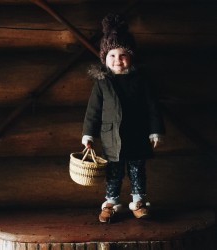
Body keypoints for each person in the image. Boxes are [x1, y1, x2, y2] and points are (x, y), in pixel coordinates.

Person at [82, 13, 165, 223]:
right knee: (114, 171)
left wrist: (155, 130)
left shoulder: (141, 80)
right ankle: (111, 202)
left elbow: (152, 106)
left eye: (122, 55)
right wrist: (88, 135)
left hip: (137, 134)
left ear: (131, 57)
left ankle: (139, 202)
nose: (117, 60)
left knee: (137, 170)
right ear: (105, 58)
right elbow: (93, 111)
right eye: (112, 55)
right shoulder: (102, 83)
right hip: (111, 137)